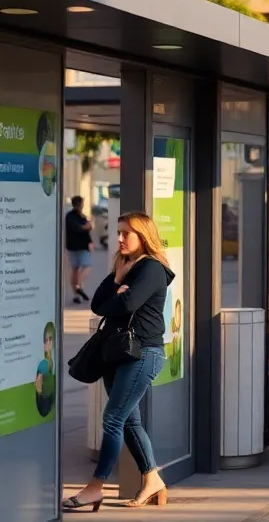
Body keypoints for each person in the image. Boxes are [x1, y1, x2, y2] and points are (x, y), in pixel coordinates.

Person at [63, 212, 175, 512]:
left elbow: (127, 304)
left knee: (113, 419)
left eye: (127, 233)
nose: (120, 238)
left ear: (143, 236)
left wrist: (121, 293)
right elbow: (98, 304)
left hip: (142, 353)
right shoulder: (125, 267)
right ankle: (153, 480)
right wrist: (117, 281)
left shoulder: (151, 268)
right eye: (119, 232)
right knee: (128, 420)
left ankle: (95, 488)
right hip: (118, 352)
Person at [65, 196, 94, 304]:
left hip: (74, 246)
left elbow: (86, 230)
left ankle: (76, 294)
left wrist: (90, 240)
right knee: (86, 265)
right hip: (78, 246)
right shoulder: (71, 216)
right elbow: (79, 228)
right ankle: (78, 286)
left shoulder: (80, 216)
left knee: (75, 269)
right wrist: (87, 226)